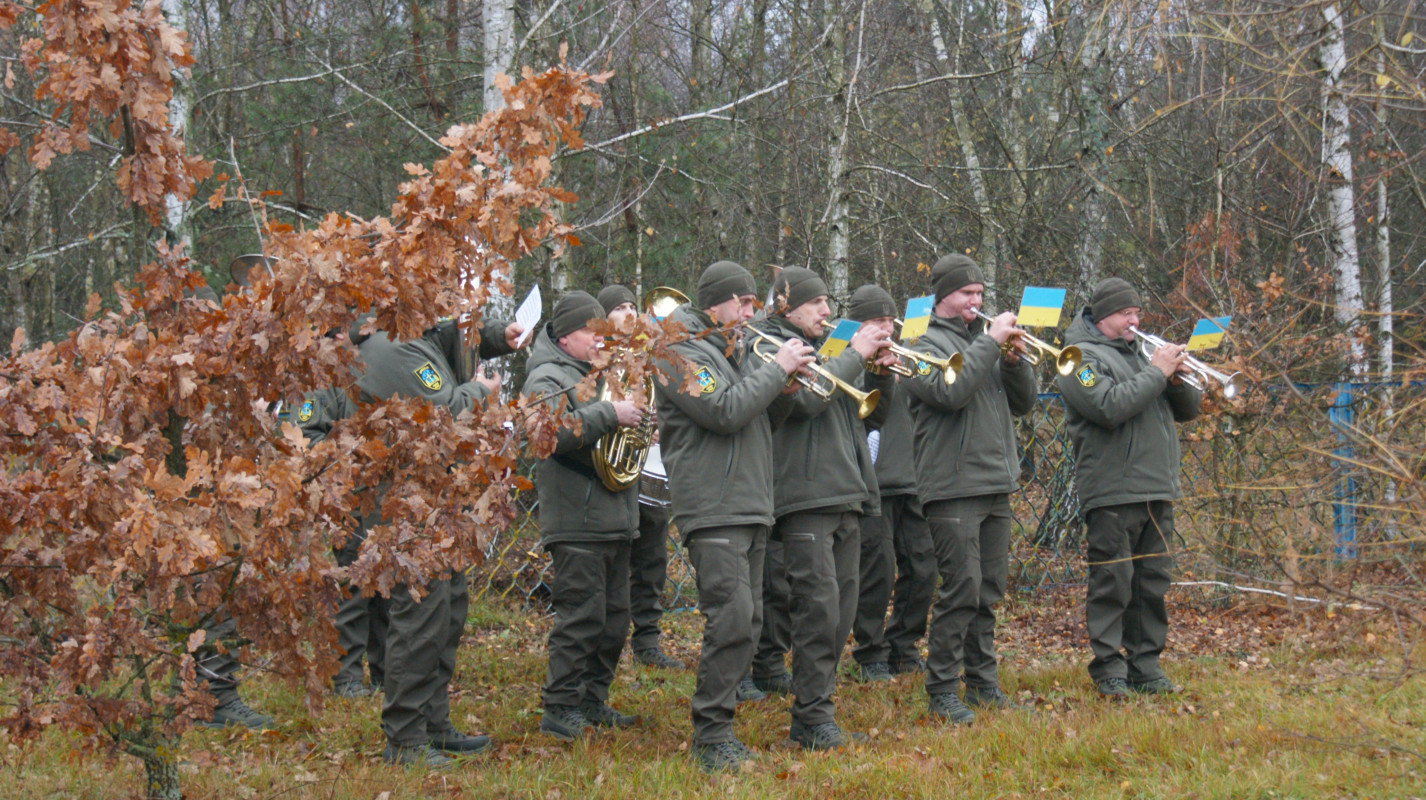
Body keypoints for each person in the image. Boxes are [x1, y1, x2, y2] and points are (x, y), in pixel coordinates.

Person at [653, 260, 814, 772]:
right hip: (714, 503)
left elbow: (762, 417)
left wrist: (785, 387)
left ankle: (721, 727)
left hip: (749, 501)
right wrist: (775, 370)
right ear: (715, 303)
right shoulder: (676, 352)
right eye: (743, 304)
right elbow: (723, 412)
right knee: (731, 618)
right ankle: (711, 734)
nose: (751, 314)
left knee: (751, 617)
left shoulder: (732, 350)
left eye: (752, 305)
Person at [356, 312, 524, 768]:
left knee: (446, 611)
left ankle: (433, 722)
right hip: (407, 504)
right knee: (419, 619)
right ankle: (405, 738)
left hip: (434, 501)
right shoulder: (392, 348)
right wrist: (480, 392)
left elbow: (447, 337)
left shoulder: (415, 337)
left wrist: (496, 338)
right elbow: (445, 409)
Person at [749, 267, 894, 750]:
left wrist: (878, 371)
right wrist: (855, 355)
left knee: (842, 611)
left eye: (828, 303)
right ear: (787, 308)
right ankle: (812, 718)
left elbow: (874, 412)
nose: (828, 312)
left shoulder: (830, 346)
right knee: (818, 609)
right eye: (817, 303)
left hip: (848, 490)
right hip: (804, 494)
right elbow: (808, 402)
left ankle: (817, 709)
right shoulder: (771, 345)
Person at [902, 254, 1037, 725]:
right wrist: (991, 344)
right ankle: (941, 688)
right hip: (951, 483)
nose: (976, 302)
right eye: (966, 294)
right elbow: (948, 392)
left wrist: (1015, 362)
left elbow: (1024, 404)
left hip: (995, 481)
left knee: (989, 592)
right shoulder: (916, 342)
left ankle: (982, 683)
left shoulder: (985, 345)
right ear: (942, 297)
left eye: (980, 294)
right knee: (962, 588)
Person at [1055, 276, 1201, 698]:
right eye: (1126, 313)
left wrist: (1177, 378)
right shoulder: (1077, 357)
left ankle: (1146, 664)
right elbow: (1108, 407)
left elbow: (1188, 411)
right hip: (1113, 487)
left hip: (1156, 485)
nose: (1135, 320)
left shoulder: (1143, 354)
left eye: (1137, 312)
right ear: (1103, 317)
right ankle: (1108, 668)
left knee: (1152, 581)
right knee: (1113, 582)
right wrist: (1158, 371)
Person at [523, 290, 645, 740]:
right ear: (566, 336)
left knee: (614, 618)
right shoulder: (547, 376)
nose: (600, 342)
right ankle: (560, 707)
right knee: (581, 617)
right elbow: (547, 436)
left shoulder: (600, 375)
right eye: (591, 334)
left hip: (613, 516)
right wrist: (611, 413)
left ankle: (593, 700)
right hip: (577, 519)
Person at [846, 285, 935, 681]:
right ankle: (870, 652)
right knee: (876, 573)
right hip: (872, 484)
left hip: (913, 479)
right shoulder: (844, 361)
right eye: (875, 321)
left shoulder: (905, 360)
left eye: (888, 321)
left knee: (923, 568)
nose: (885, 328)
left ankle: (904, 645)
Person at [297, 325, 388, 699]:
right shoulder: (320, 378)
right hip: (347, 496)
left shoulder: (374, 367)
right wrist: (349, 456)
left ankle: (386, 672)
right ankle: (347, 677)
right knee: (352, 588)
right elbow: (304, 436)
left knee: (387, 589)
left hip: (382, 494)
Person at [598, 284, 682, 670]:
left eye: (633, 305)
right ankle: (605, 639)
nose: (630, 312)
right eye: (620, 307)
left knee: (652, 558)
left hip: (650, 465)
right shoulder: (594, 358)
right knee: (615, 562)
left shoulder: (651, 355)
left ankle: (647, 640)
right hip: (610, 473)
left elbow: (674, 398)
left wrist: (660, 424)